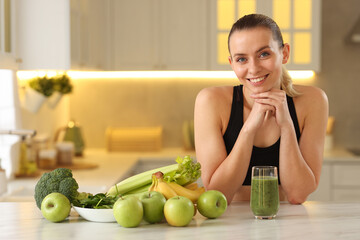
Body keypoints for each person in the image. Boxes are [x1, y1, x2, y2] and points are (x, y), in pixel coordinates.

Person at [194, 14, 328, 205]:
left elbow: (297, 195)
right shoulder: (210, 101)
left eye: (264, 54)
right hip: (230, 223)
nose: (254, 68)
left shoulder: (313, 101)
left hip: (286, 224)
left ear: (285, 53)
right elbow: (218, 192)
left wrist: (286, 125)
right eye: (241, 59)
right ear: (232, 64)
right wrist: (249, 128)